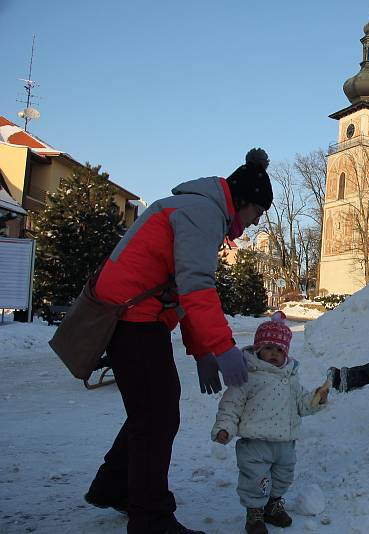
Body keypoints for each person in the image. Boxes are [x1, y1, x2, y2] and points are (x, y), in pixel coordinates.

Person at [84, 148, 273, 534]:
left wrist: (202, 349)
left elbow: (180, 288)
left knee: (150, 412)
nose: (253, 223)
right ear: (242, 201)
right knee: (157, 416)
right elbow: (196, 288)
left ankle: (115, 486)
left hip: (135, 316)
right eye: (256, 213)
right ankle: (151, 520)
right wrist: (222, 348)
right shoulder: (202, 214)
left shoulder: (196, 209)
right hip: (131, 317)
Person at [212, 311, 329, 534]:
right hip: (255, 443)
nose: (274, 354)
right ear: (257, 349)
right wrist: (224, 428)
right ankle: (255, 512)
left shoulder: (291, 377)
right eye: (268, 348)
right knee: (255, 479)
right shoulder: (247, 375)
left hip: (285, 443)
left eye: (279, 350)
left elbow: (301, 405)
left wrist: (315, 399)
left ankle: (273, 506)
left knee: (283, 477)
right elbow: (231, 405)